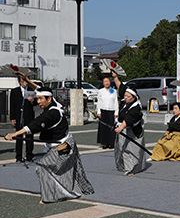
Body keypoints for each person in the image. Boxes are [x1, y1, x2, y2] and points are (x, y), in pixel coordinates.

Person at [5, 72, 94, 203]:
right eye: (38, 98)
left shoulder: (52, 113)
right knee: (64, 171)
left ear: (49, 99)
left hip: (62, 146)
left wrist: (15, 134)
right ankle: (64, 191)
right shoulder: (55, 103)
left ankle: (51, 196)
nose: (38, 101)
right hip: (63, 144)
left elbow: (36, 124)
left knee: (43, 167)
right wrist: (28, 81)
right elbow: (39, 90)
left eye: (41, 99)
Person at [112, 71, 146, 176]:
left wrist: (121, 127)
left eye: (128, 96)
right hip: (123, 128)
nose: (125, 97)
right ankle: (127, 167)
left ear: (134, 97)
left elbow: (129, 118)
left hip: (133, 131)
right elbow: (120, 87)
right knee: (122, 149)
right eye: (125, 96)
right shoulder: (125, 100)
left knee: (133, 151)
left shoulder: (136, 107)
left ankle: (133, 168)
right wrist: (115, 77)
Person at [10, 75, 37, 162]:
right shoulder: (15, 91)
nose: (24, 83)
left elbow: (37, 103)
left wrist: (33, 101)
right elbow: (12, 105)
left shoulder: (31, 90)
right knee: (19, 136)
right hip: (19, 117)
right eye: (22, 81)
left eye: (26, 81)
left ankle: (29, 155)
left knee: (29, 136)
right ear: (19, 82)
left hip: (29, 116)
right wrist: (13, 117)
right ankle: (18, 156)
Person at [96, 75, 118, 149]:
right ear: (103, 83)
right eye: (105, 81)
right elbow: (99, 102)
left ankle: (111, 143)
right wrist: (98, 112)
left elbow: (116, 102)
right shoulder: (100, 91)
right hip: (103, 111)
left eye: (108, 81)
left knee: (111, 128)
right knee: (104, 128)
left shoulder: (114, 91)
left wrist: (116, 113)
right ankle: (104, 143)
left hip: (111, 111)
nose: (106, 83)